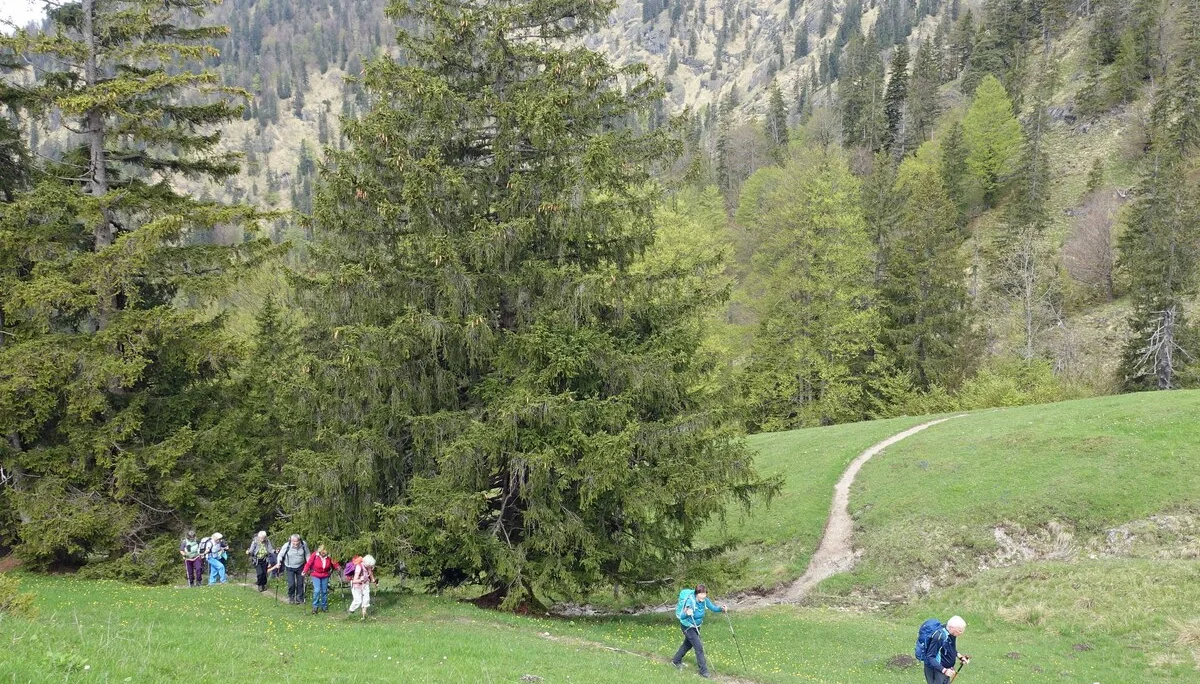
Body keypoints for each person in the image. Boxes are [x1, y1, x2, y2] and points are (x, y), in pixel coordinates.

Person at [671, 583, 726, 679]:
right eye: (701, 594)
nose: (703, 596)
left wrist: (721, 609)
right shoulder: (690, 601)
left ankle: (676, 661)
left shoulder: (705, 601)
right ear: (696, 594)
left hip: (696, 626)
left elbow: (713, 608)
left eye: (704, 593)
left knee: (687, 644)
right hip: (688, 626)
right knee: (699, 647)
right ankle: (703, 671)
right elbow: (682, 615)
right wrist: (687, 613)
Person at [922, 616, 969, 684]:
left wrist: (960, 657)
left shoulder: (951, 634)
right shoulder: (939, 637)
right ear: (952, 627)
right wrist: (944, 670)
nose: (961, 633)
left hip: (946, 670)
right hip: (936, 670)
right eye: (960, 630)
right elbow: (930, 657)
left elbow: (951, 649)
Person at [269, 534, 309, 604]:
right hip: (289, 566)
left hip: (300, 566)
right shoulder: (286, 545)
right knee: (291, 583)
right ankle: (291, 597)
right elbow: (280, 555)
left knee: (300, 583)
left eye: (297, 541)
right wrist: (278, 563)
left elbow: (307, 554)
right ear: (291, 540)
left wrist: (309, 565)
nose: (296, 543)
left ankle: (300, 598)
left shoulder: (303, 544)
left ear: (299, 540)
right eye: (294, 541)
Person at [301, 544, 341, 615]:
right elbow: (309, 563)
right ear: (320, 551)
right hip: (316, 574)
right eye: (322, 552)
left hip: (325, 575)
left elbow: (335, 563)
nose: (323, 554)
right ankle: (315, 607)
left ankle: (324, 606)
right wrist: (304, 571)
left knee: (324, 591)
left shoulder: (329, 556)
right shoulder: (315, 555)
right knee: (317, 590)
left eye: (325, 553)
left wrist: (337, 567)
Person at [346, 554, 377, 620]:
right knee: (358, 601)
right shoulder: (359, 567)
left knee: (366, 599)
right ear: (367, 563)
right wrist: (360, 580)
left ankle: (364, 615)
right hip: (356, 585)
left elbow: (371, 574)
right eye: (370, 566)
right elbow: (354, 581)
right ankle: (351, 611)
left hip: (365, 584)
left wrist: (374, 582)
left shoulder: (368, 567)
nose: (371, 567)